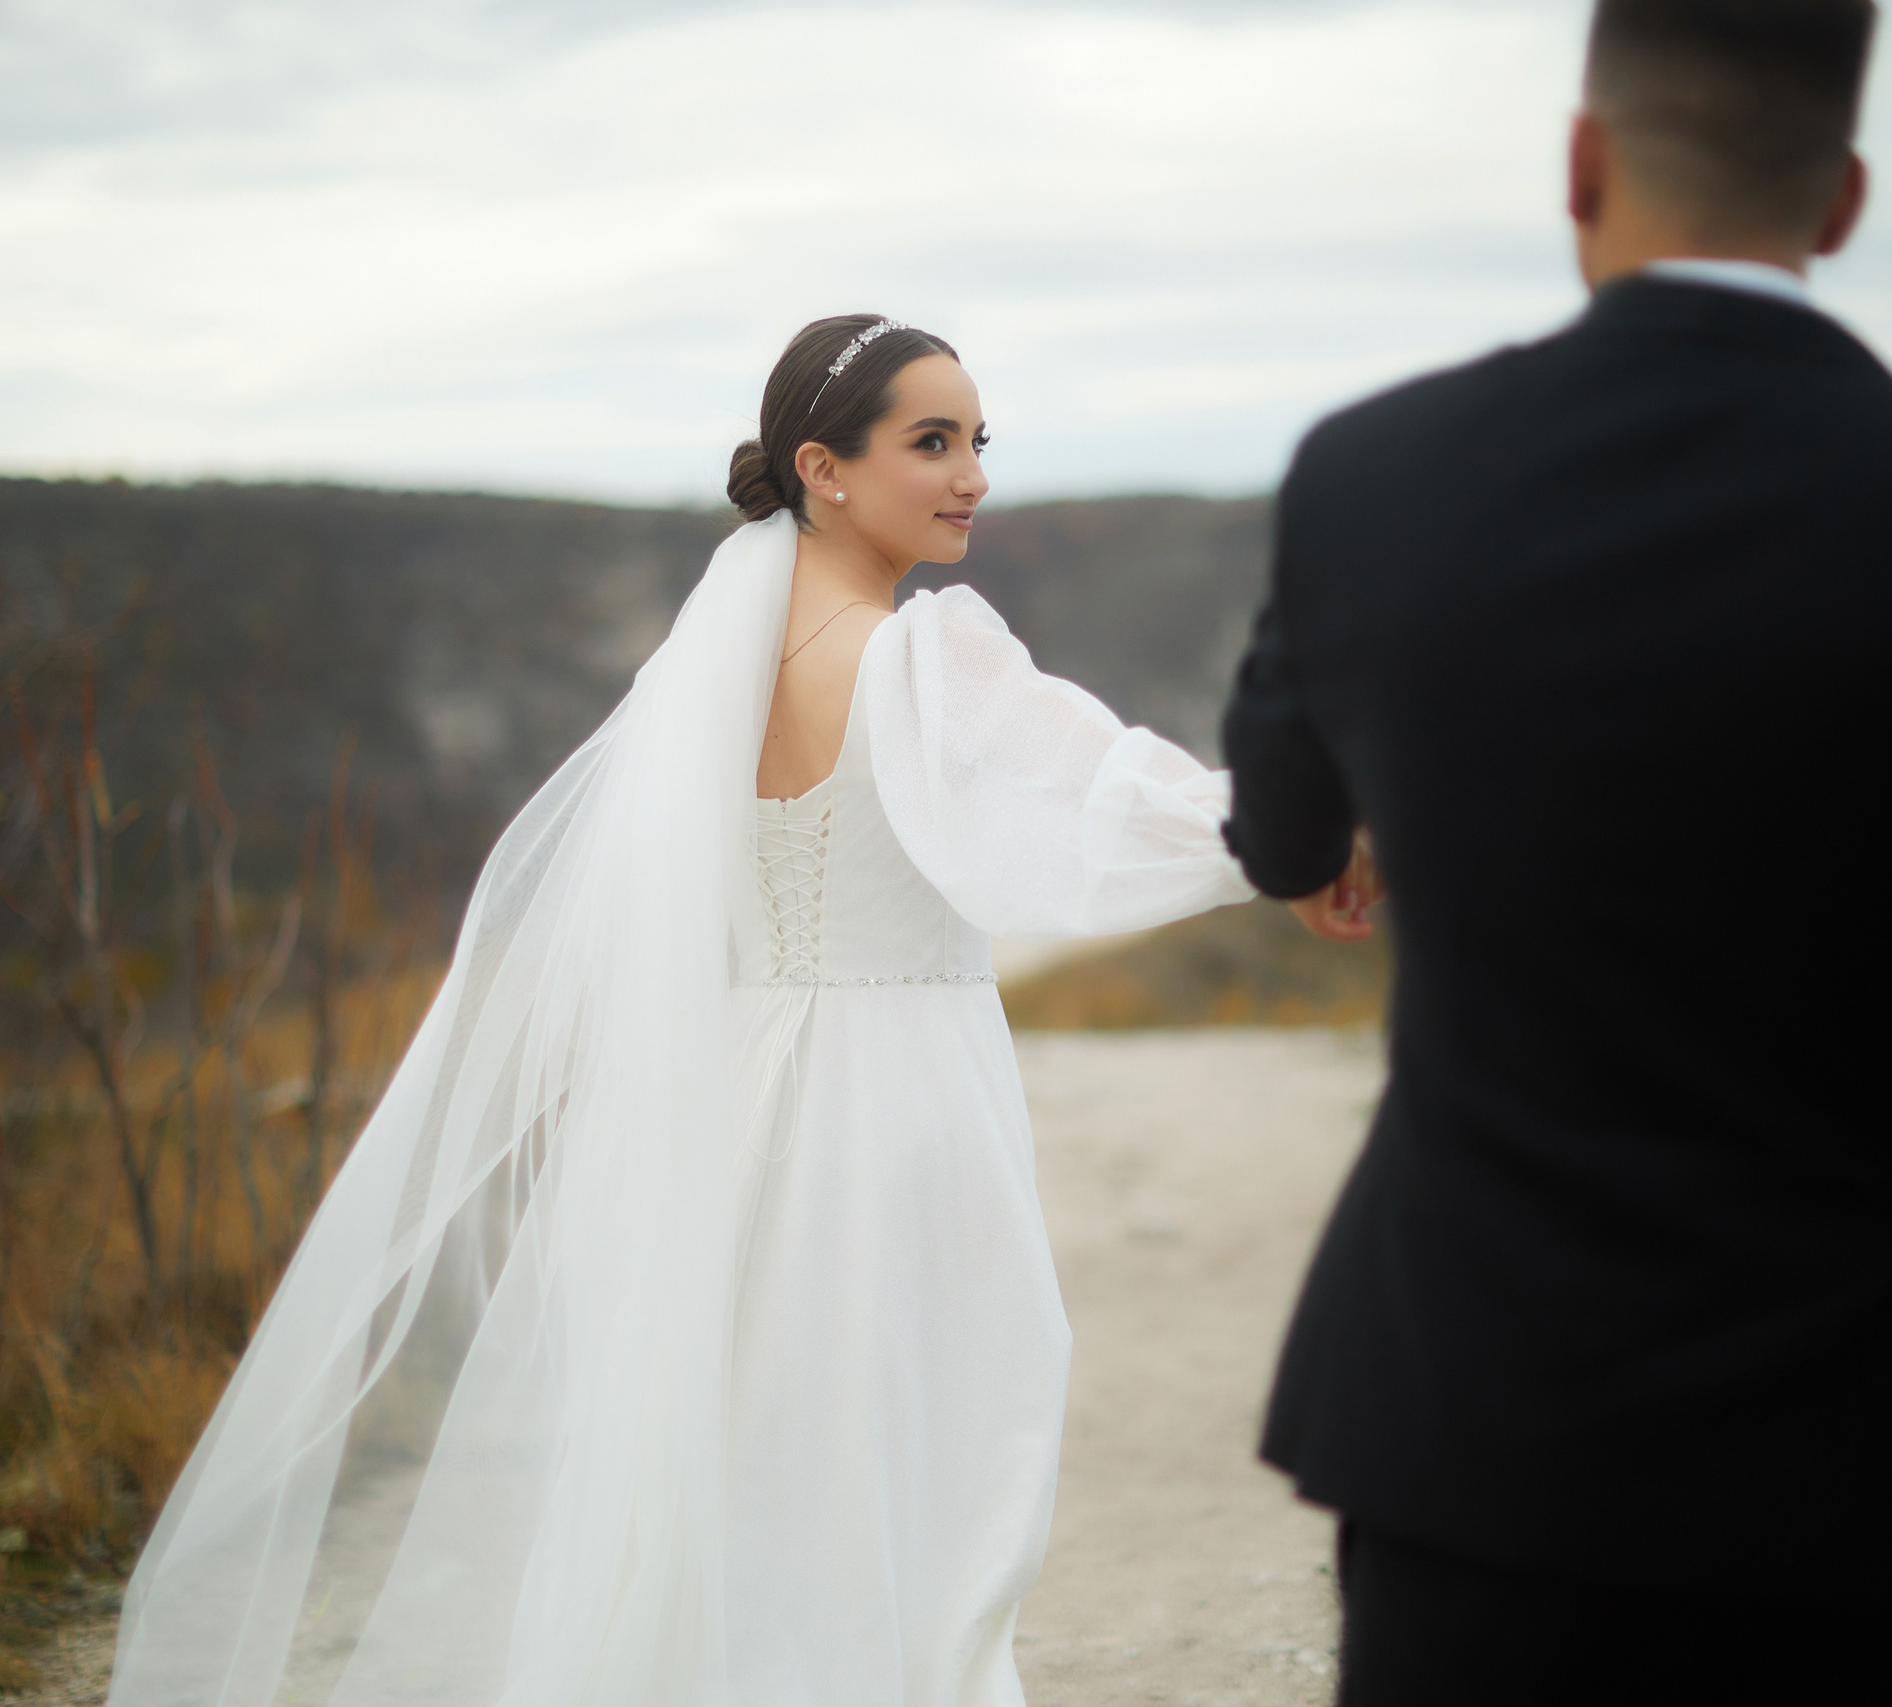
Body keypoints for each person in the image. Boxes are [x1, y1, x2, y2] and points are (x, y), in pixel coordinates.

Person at [1220, 1, 1892, 1702]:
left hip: (1477, 1432)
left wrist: (1318, 850)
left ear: (1582, 162)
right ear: (1846, 200)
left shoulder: (1369, 478)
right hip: (1889, 1459)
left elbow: (1283, 807)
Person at [102, 314, 1253, 1707]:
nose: (972, 478)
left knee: (759, 1465)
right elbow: (1105, 796)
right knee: (922, 1462)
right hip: (896, 1104)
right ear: (821, 467)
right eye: (932, 442)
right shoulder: (923, 655)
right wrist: (1295, 846)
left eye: (978, 443)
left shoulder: (710, 669)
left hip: (742, 1099)